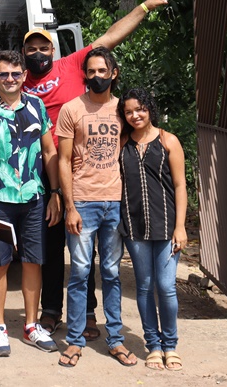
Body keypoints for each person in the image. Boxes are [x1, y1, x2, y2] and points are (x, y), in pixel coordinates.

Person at [0, 0, 168, 335]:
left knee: (77, 252)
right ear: (21, 55)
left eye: (43, 47)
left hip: (64, 173)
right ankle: (48, 313)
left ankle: (87, 315)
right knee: (44, 250)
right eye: (31, 48)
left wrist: (145, 6)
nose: (37, 53)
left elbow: (111, 37)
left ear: (53, 48)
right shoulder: (12, 76)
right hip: (21, 181)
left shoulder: (71, 66)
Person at [0, 50, 62, 358]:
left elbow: (50, 153)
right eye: (3, 74)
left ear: (24, 76)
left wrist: (56, 193)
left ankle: (32, 325)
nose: (9, 79)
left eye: (15, 74)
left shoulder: (37, 106)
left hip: (35, 199)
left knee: (33, 261)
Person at [55, 47, 136, 368]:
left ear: (114, 73)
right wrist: (69, 206)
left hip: (115, 204)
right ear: (84, 74)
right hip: (83, 204)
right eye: (90, 71)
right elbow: (62, 160)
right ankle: (74, 341)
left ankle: (115, 339)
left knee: (113, 273)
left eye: (103, 71)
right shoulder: (71, 109)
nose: (96, 76)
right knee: (79, 273)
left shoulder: (123, 110)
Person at [117, 88, 188, 372]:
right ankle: (154, 346)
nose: (135, 115)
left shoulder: (168, 140)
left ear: (150, 109)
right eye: (129, 111)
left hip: (168, 226)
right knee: (144, 287)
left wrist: (181, 226)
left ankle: (170, 345)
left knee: (167, 286)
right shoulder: (122, 143)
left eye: (140, 109)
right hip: (134, 228)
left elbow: (181, 185)